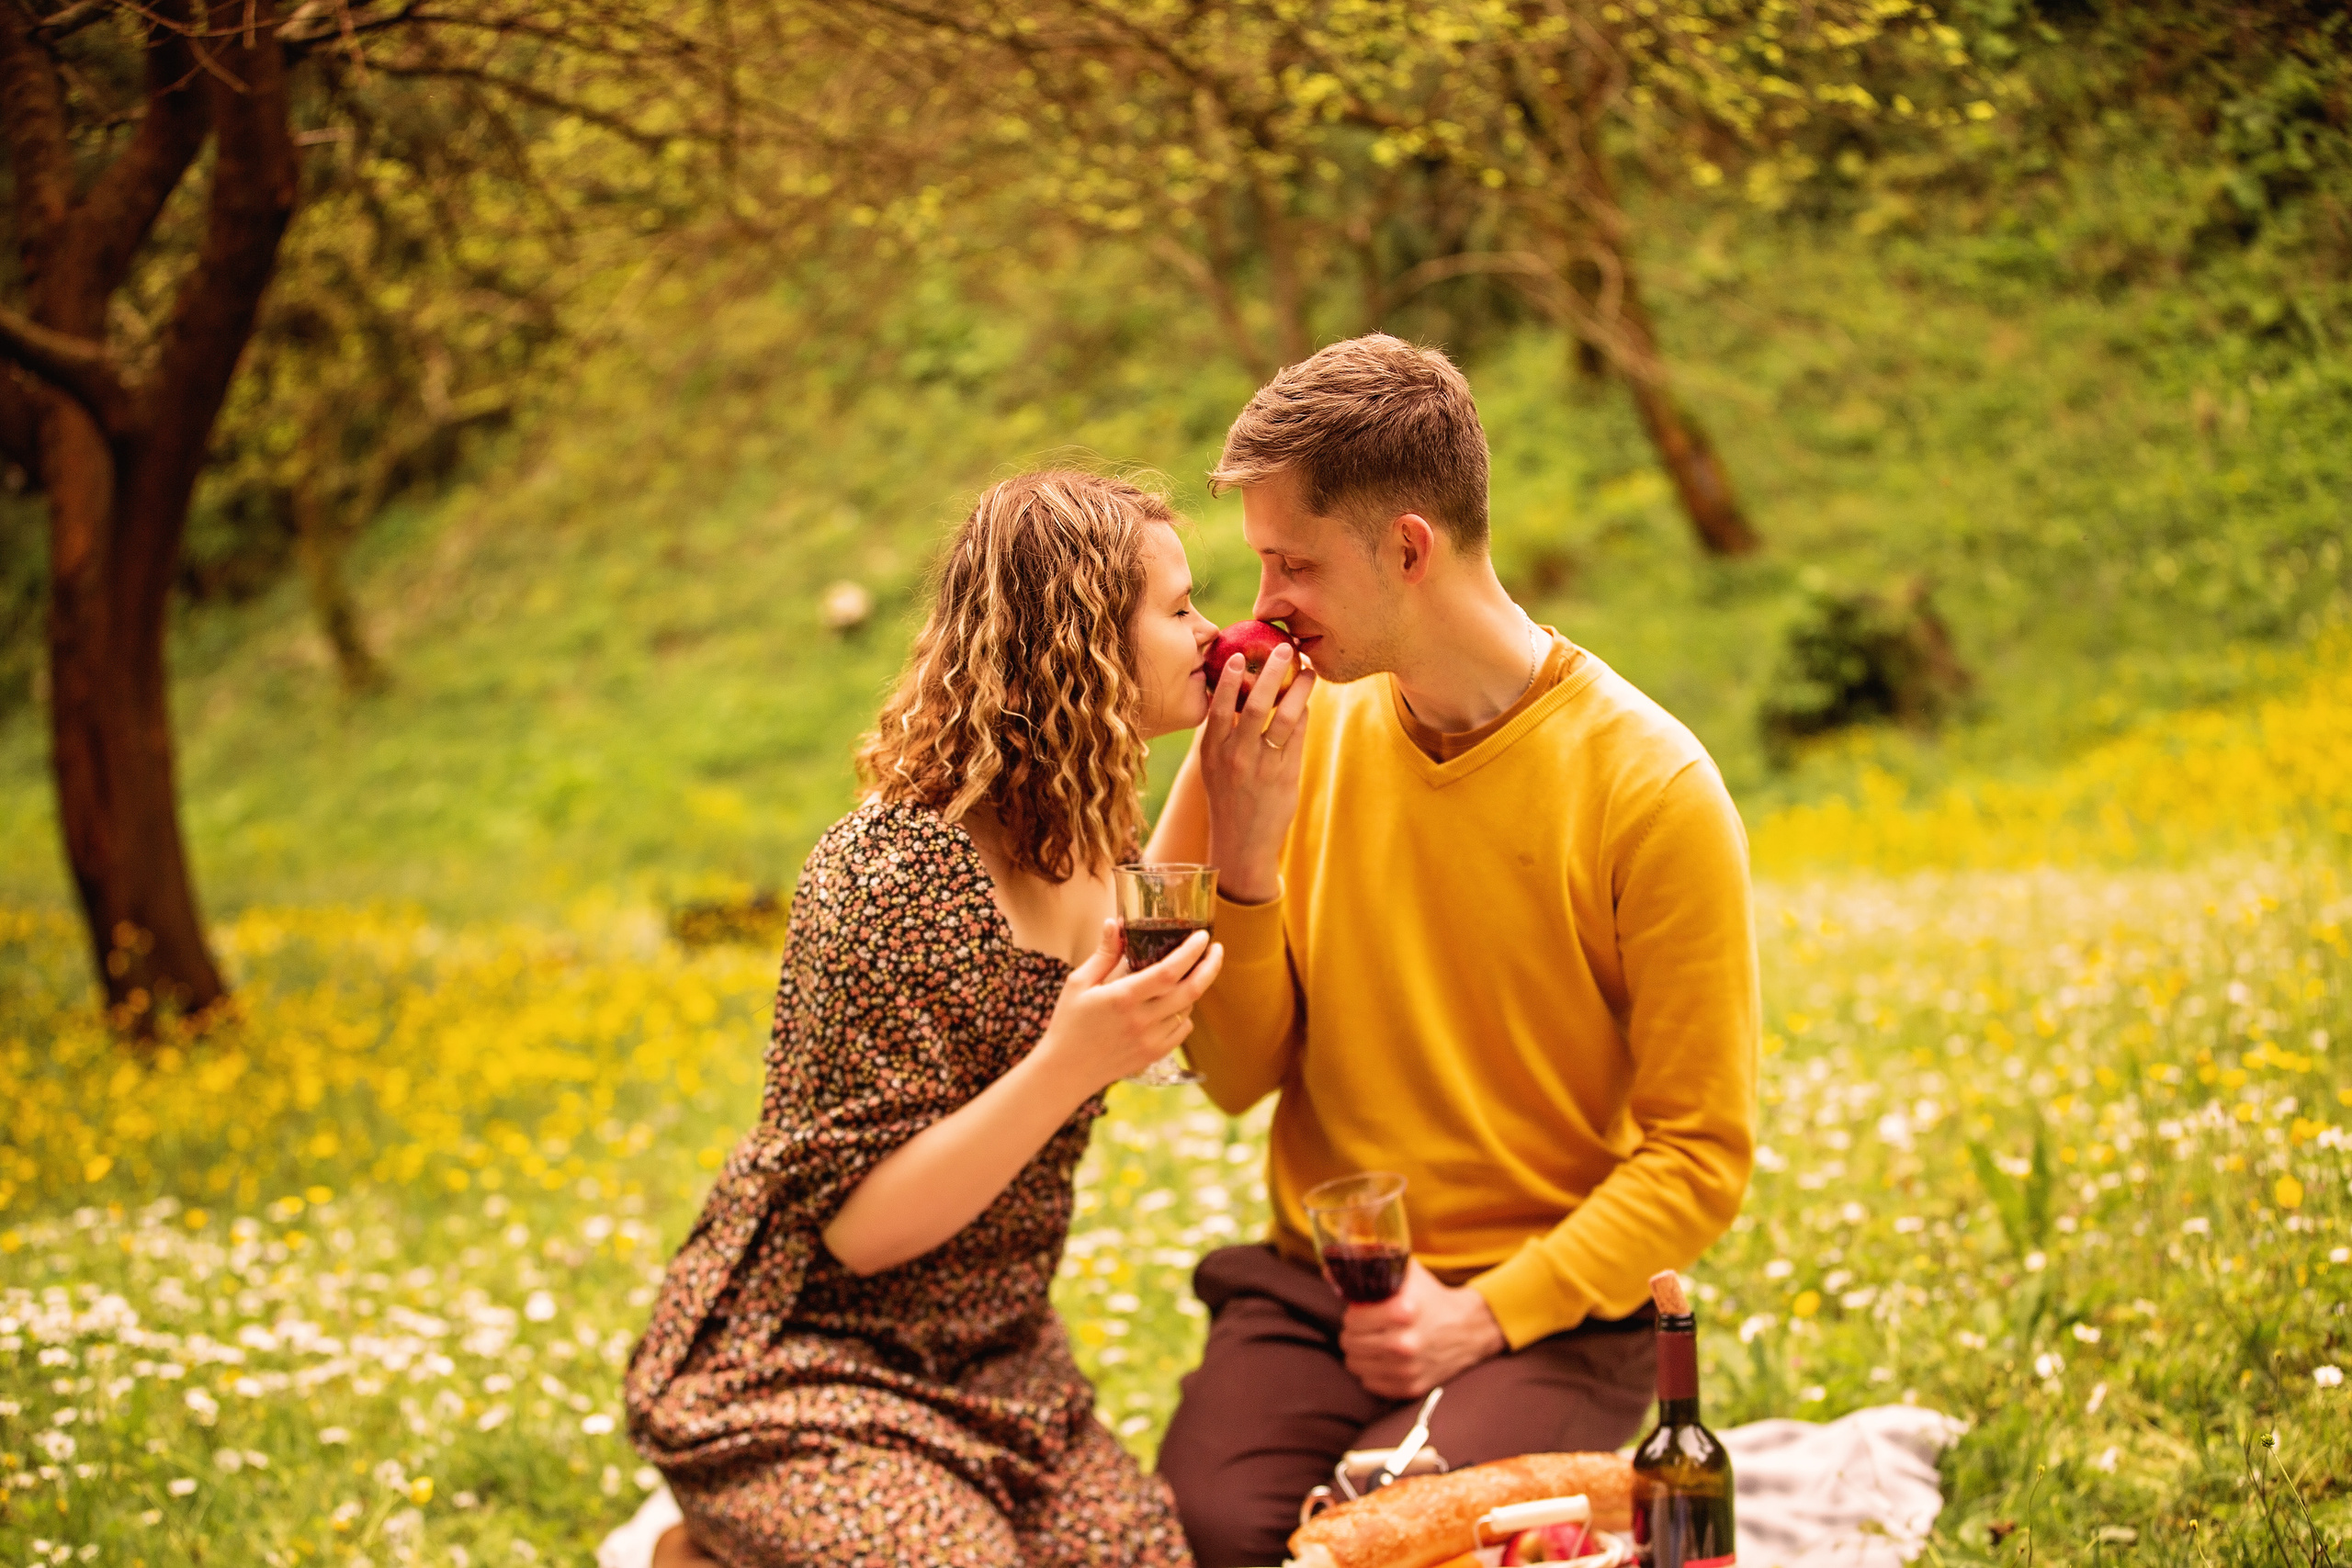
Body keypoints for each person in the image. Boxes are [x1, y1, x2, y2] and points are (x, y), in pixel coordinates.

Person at [1146, 335, 1760, 1567]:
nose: (1261, 606)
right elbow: (1233, 1076)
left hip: (1548, 1305)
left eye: (1294, 563)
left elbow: (1701, 1157)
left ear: (1410, 548)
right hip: (1317, 1291)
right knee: (1206, 1527)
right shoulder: (1289, 738)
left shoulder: (1651, 786)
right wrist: (1249, 867)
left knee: (1401, 1541)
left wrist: (1479, 1316)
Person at [625, 471, 1220, 1568]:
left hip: (1002, 1369)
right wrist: (1066, 1063)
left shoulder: (1091, 829)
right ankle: (687, 1545)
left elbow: (1179, 902)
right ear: (1081, 644)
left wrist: (1245, 761)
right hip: (807, 1360)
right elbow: (853, 1229)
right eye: (1179, 608)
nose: (1210, 631)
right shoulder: (885, 878)